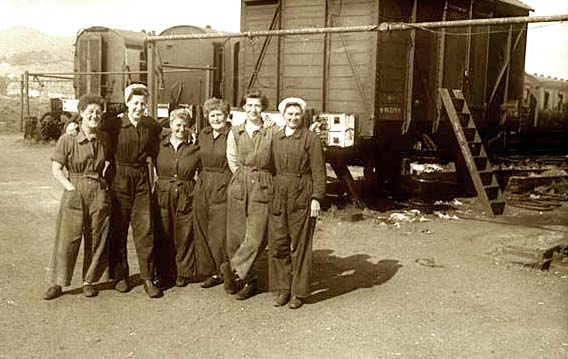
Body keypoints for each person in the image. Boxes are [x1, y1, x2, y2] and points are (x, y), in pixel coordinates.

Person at [43, 94, 112, 300]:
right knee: (67, 238)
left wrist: (105, 186)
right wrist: (71, 188)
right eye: (90, 112)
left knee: (97, 236)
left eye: (98, 112)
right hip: (75, 189)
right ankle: (58, 282)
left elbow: (112, 162)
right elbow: (56, 169)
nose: (94, 116)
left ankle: (88, 281)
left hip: (98, 191)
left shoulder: (104, 138)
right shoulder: (68, 138)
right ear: (81, 113)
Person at [106, 84, 163, 298]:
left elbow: (162, 140)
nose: (139, 107)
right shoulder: (114, 124)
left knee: (145, 229)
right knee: (118, 228)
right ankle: (120, 276)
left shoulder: (151, 125)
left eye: (142, 103)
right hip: (119, 176)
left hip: (141, 179)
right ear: (127, 102)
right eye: (135, 103)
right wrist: (71, 127)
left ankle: (148, 277)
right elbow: (91, 128)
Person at [268, 97, 326, 309]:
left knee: (300, 247)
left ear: (302, 116)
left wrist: (316, 199)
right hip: (278, 196)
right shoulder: (276, 137)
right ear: (283, 116)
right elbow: (269, 168)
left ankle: (298, 292)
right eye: (289, 114)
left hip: (302, 195)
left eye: (297, 114)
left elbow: (319, 171)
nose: (293, 118)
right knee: (278, 243)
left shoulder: (310, 139)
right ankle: (283, 289)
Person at [222, 90, 275, 300]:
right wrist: (243, 179)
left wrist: (258, 178)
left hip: (262, 184)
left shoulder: (272, 130)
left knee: (256, 236)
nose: (253, 110)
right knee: (235, 237)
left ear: (263, 108)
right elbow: (232, 160)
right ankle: (249, 281)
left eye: (258, 106)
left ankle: (231, 268)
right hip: (240, 183)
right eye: (250, 105)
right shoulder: (235, 131)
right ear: (243, 107)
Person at [154, 108, 213, 287]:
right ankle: (164, 273)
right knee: (163, 232)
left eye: (184, 126)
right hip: (163, 192)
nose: (181, 129)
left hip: (186, 192)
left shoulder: (195, 147)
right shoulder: (159, 145)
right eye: (177, 125)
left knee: (185, 233)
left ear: (189, 127)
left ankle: (183, 272)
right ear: (170, 125)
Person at [193, 98, 232, 289]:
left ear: (226, 116)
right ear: (207, 117)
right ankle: (212, 272)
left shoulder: (233, 135)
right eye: (212, 115)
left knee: (220, 233)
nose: (216, 118)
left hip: (223, 184)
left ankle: (227, 272)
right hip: (203, 184)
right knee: (202, 229)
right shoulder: (204, 134)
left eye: (219, 115)